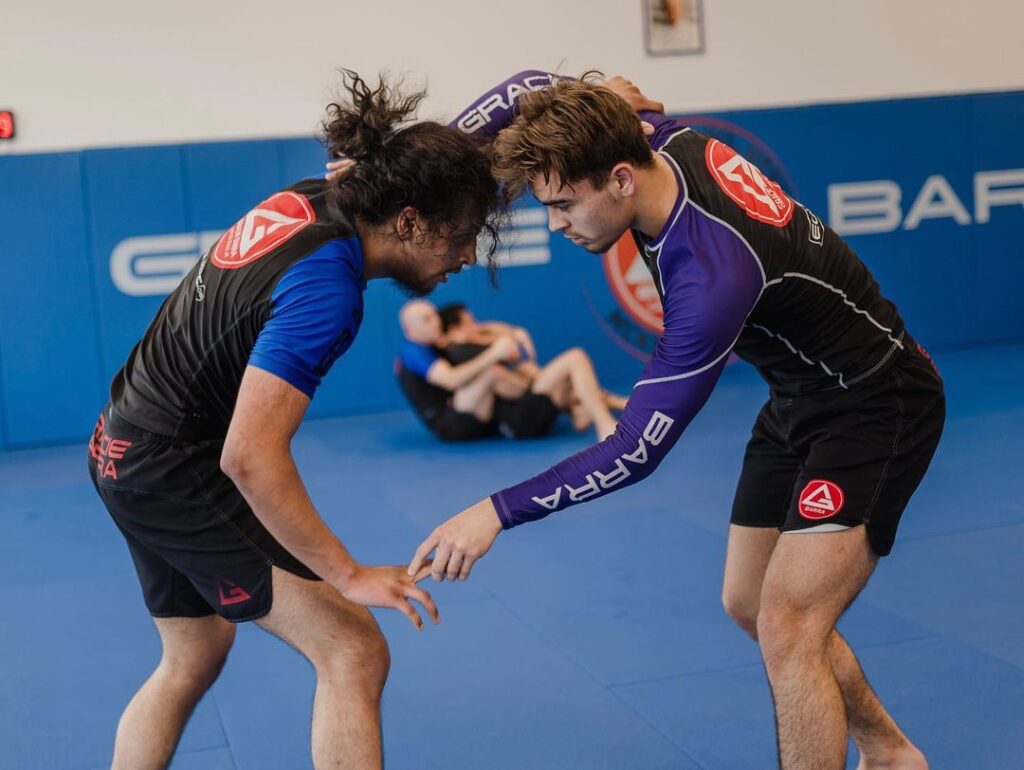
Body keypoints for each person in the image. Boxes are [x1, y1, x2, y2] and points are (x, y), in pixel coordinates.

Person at [409, 71, 944, 770]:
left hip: (875, 403)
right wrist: (410, 169)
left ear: (620, 180)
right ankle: (891, 753)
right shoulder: (644, 134)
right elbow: (534, 86)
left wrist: (495, 512)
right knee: (748, 601)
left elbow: (635, 449)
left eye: (565, 205)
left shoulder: (712, 275)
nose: (557, 224)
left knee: (790, 625)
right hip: (798, 395)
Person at [87, 70, 505, 770]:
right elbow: (249, 456)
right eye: (460, 235)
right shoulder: (327, 290)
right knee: (353, 647)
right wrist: (347, 573)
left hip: (119, 443)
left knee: (194, 652)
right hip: (171, 467)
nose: (467, 255)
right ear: (408, 221)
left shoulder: (325, 195)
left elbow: (424, 163)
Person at [396, 299, 622, 441]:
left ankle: (584, 406)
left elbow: (495, 334)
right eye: (426, 319)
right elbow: (451, 380)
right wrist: (496, 353)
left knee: (529, 370)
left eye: (435, 316)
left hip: (492, 414)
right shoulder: (415, 352)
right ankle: (595, 415)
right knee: (502, 372)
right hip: (453, 422)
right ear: (410, 330)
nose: (435, 322)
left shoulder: (438, 345)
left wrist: (506, 334)